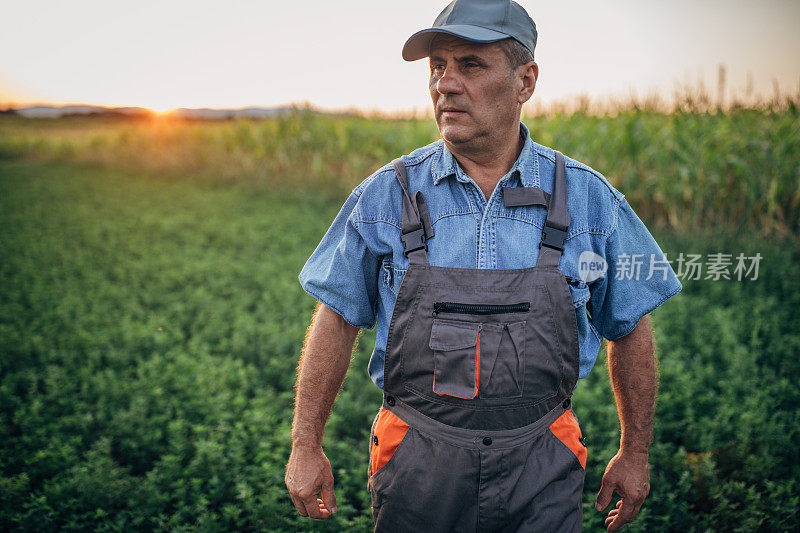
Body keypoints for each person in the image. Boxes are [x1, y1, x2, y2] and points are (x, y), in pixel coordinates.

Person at [285, 0, 682, 530]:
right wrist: (305, 444)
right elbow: (335, 315)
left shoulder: (589, 201)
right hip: (416, 461)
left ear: (526, 81)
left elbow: (630, 325)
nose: (445, 84)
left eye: (470, 65)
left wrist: (635, 453)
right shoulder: (387, 194)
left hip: (543, 460)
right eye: (438, 66)